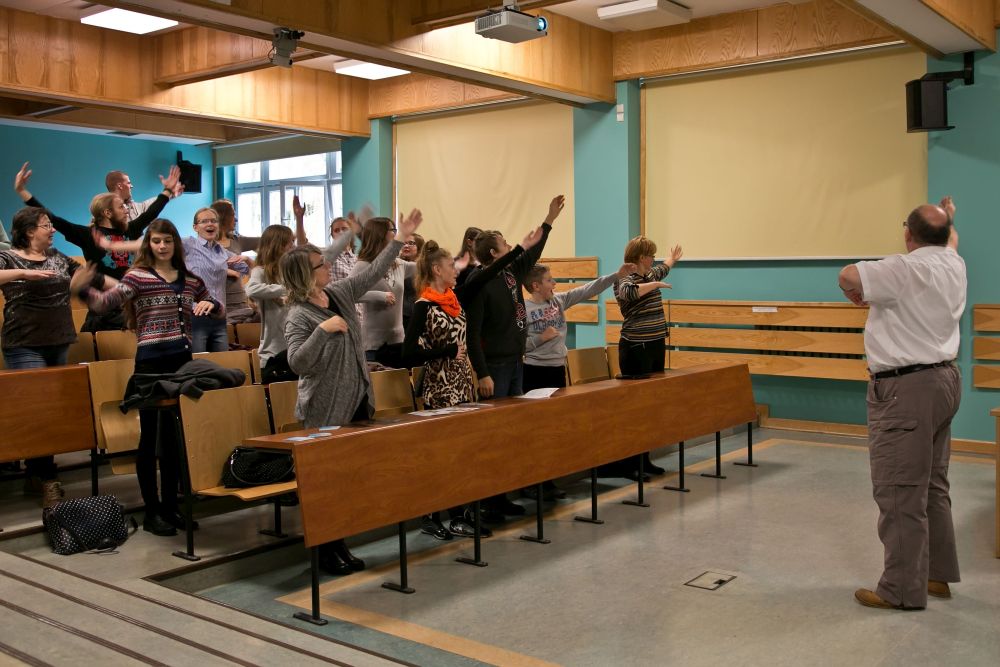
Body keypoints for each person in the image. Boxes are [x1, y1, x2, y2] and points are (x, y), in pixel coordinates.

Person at [280, 207, 423, 575]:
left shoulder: (339, 293)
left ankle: (340, 543)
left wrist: (400, 238)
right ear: (305, 275)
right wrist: (322, 331)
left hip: (357, 399)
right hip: (324, 406)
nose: (329, 265)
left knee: (349, 479)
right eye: (320, 264)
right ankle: (324, 550)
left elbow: (373, 272)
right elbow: (297, 363)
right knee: (326, 483)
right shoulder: (298, 314)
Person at [839, 196, 964, 611]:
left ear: (908, 234)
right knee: (932, 485)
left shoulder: (903, 268)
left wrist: (854, 293)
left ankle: (900, 590)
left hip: (905, 390)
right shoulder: (953, 262)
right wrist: (949, 217)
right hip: (945, 381)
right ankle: (935, 576)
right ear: (944, 235)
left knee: (899, 489)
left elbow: (847, 274)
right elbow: (951, 239)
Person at [74, 219, 224, 536]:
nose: (162, 246)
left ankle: (171, 507)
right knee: (150, 439)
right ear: (149, 245)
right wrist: (81, 289)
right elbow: (103, 304)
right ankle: (152, 511)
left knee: (174, 438)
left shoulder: (189, 279)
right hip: (151, 364)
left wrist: (210, 303)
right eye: (156, 241)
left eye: (167, 240)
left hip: (181, 363)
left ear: (175, 244)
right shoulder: (138, 277)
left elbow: (218, 307)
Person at [402, 226, 544, 539]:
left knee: (463, 453)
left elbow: (487, 273)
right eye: (451, 266)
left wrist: (520, 248)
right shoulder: (424, 305)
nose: (457, 271)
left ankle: (460, 513)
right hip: (440, 388)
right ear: (437, 270)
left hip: (462, 384)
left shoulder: (456, 298)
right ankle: (431, 515)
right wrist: (446, 350)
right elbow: (408, 353)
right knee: (444, 455)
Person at [0, 205, 110, 506]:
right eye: (46, 225)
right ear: (28, 231)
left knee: (51, 412)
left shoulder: (57, 256)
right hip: (24, 343)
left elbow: (91, 280)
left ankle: (36, 475)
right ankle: (48, 479)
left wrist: (132, 287)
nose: (52, 230)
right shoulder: (9, 257)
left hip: (59, 341)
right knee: (40, 412)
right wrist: (24, 272)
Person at [463, 194, 565, 521]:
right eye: (504, 244)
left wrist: (549, 220)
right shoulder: (479, 284)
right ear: (494, 253)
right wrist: (482, 372)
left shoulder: (510, 274)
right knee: (494, 434)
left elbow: (533, 252)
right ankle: (490, 500)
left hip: (515, 361)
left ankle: (505, 494)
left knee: (512, 432)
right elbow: (472, 334)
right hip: (494, 366)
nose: (510, 246)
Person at [14, 162, 182, 331]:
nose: (126, 210)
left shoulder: (131, 230)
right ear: (107, 213)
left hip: (130, 303)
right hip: (104, 309)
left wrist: (168, 190)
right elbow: (53, 219)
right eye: (121, 207)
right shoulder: (88, 235)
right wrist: (23, 191)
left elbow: (152, 212)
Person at [521, 259, 637, 500]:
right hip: (534, 372)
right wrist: (540, 338)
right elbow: (517, 345)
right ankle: (533, 483)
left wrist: (616, 276)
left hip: (556, 370)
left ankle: (549, 478)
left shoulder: (558, 301)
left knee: (554, 427)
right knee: (536, 430)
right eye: (549, 280)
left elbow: (587, 289)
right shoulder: (523, 309)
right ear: (535, 286)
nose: (554, 283)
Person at [612, 236, 683, 478]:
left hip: (655, 344)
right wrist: (656, 285)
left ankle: (645, 460)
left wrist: (672, 259)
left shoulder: (650, 274)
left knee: (651, 406)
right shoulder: (624, 277)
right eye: (651, 255)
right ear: (641, 257)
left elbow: (663, 269)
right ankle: (629, 465)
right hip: (635, 347)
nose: (654, 259)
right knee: (635, 409)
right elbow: (629, 293)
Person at [349, 216, 417, 368]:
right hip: (374, 346)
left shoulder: (399, 264)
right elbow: (347, 294)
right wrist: (379, 296)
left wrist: (451, 262)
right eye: (393, 230)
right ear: (380, 234)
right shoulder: (363, 265)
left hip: (398, 341)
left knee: (399, 382)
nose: (396, 234)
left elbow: (424, 267)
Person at [184, 208, 249, 352]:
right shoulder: (188, 244)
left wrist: (248, 259)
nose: (210, 224)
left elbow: (249, 269)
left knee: (221, 361)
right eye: (204, 221)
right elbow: (158, 246)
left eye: (214, 221)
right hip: (196, 315)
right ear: (195, 227)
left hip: (219, 315)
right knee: (200, 360)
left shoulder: (221, 251)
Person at [213, 199, 259, 325]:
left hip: (240, 303)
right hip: (217, 303)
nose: (236, 219)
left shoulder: (237, 241)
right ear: (224, 217)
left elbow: (268, 240)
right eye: (233, 215)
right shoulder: (205, 244)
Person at [401, 232, 424, 331]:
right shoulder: (397, 264)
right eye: (404, 243)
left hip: (412, 315)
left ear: (419, 248)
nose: (406, 246)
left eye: (411, 243)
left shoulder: (422, 268)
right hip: (397, 315)